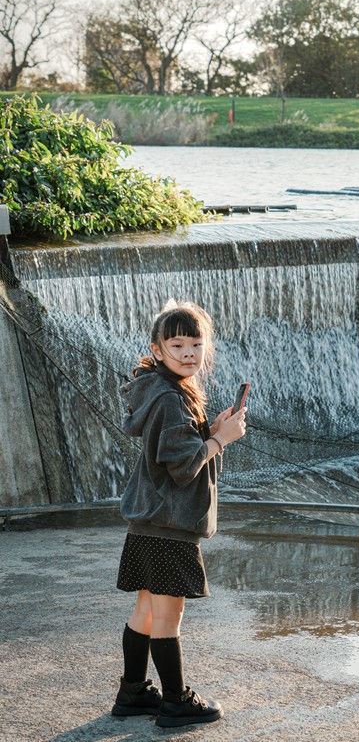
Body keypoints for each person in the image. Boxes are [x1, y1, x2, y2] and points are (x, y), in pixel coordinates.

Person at [111, 300, 247, 728]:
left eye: (195, 343)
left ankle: (133, 692)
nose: (189, 352)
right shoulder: (171, 399)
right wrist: (221, 439)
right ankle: (175, 702)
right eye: (177, 344)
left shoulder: (159, 391)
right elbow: (183, 467)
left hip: (147, 522)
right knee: (168, 618)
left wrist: (207, 431)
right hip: (169, 526)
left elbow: (173, 451)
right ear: (157, 349)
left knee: (146, 611)